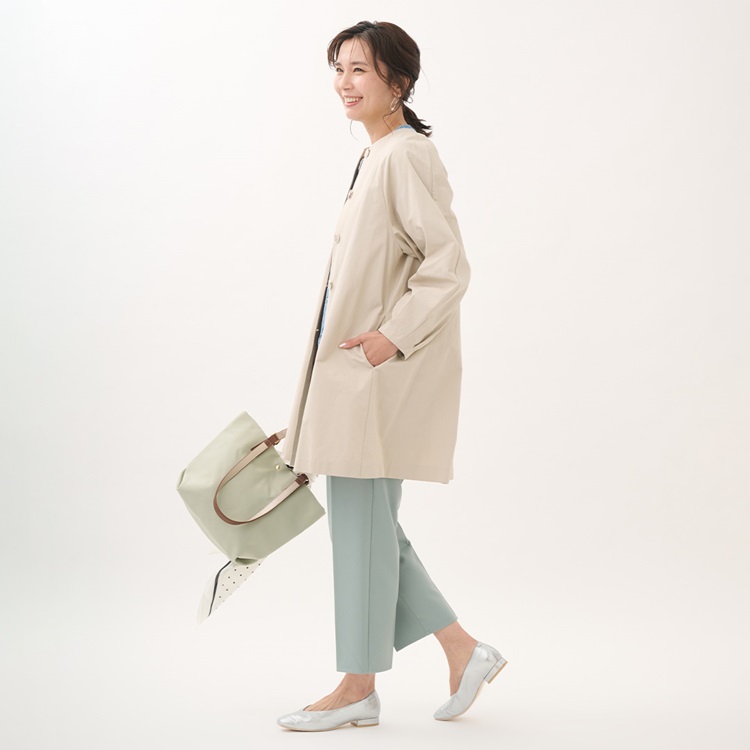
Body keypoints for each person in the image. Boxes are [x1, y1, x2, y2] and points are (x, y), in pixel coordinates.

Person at [277, 20, 506, 731]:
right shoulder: (377, 155)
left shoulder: (405, 155)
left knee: (363, 529)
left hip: (373, 375)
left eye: (360, 70)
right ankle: (460, 650)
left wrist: (390, 339)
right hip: (352, 373)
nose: (344, 84)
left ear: (398, 83)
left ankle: (358, 688)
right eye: (338, 69)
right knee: (370, 528)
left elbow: (448, 265)